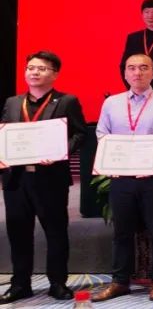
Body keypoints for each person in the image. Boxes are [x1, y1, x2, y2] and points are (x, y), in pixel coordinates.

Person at [91, 54, 153, 302]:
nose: (137, 73)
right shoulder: (112, 103)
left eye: (144, 68)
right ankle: (120, 281)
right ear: (125, 74)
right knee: (122, 232)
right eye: (131, 68)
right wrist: (112, 160)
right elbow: (102, 134)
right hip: (121, 177)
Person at [0, 51, 86, 304]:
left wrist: (60, 152)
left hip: (50, 179)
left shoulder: (66, 101)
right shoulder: (13, 102)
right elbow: (5, 134)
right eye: (30, 68)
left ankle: (57, 283)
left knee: (56, 232)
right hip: (16, 180)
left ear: (54, 74)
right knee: (18, 233)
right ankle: (20, 284)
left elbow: (80, 134)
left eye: (41, 68)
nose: (34, 72)